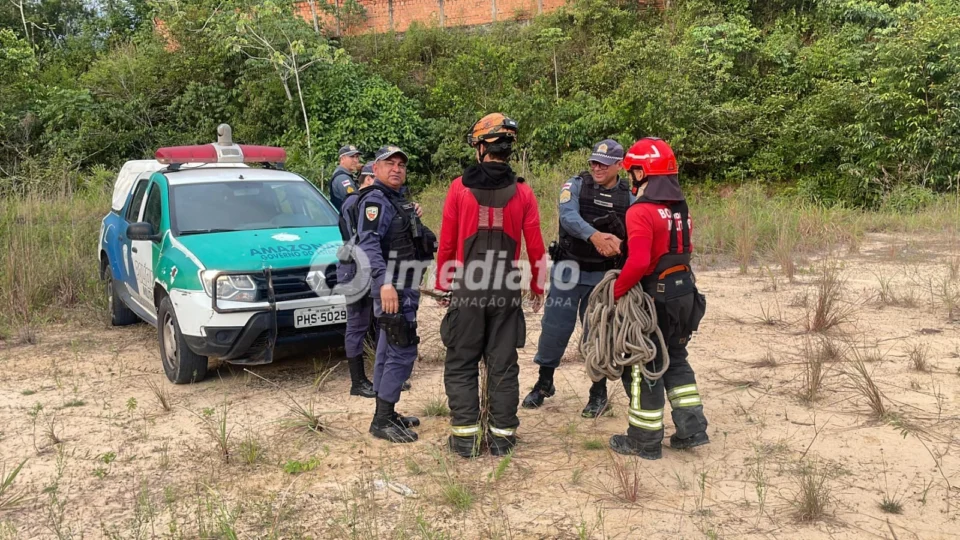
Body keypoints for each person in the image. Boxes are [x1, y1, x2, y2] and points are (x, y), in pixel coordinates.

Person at [435, 113, 547, 458]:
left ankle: (465, 440)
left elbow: (448, 243)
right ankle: (502, 439)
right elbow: (536, 245)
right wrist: (537, 286)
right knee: (503, 364)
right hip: (506, 290)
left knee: (462, 362)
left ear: (482, 147)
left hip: (468, 288)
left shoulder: (458, 188)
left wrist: (443, 283)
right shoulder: (524, 192)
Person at [608, 137, 709, 460]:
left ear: (643, 172)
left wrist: (616, 292)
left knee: (646, 364)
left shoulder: (641, 212)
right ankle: (692, 430)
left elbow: (638, 262)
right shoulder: (680, 209)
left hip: (655, 300)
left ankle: (644, 440)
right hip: (685, 294)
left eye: (633, 171)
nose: (630, 177)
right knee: (676, 358)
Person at [522, 139, 633, 418]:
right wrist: (595, 236)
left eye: (604, 164)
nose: (597, 167)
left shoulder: (629, 195)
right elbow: (568, 216)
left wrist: (621, 244)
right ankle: (544, 382)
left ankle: (598, 393)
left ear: (619, 165)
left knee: (598, 334)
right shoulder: (576, 185)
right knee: (554, 329)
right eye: (594, 162)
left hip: (604, 276)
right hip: (568, 271)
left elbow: (638, 227)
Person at [355, 146, 437, 443]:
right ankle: (382, 419)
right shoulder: (374, 201)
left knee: (389, 348)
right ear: (374, 169)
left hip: (406, 283)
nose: (397, 169)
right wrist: (384, 283)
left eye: (402, 164)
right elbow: (369, 244)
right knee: (403, 347)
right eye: (389, 163)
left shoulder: (396, 200)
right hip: (393, 287)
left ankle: (386, 412)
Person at [336, 162, 378, 398]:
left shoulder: (360, 201)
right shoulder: (356, 202)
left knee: (378, 322)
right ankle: (358, 381)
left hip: (360, 266)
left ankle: (381, 377)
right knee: (358, 324)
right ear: (370, 178)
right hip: (355, 269)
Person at [329, 145, 363, 212]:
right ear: (342, 159)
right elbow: (354, 201)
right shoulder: (343, 178)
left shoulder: (346, 175)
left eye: (357, 157)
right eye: (352, 157)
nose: (356, 160)